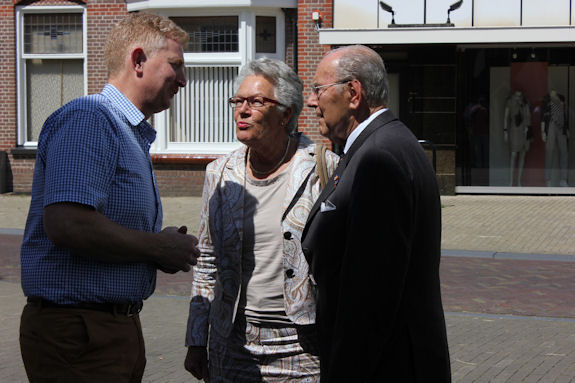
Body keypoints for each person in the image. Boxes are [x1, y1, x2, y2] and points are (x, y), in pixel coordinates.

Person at [19, 13, 200, 383]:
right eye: (176, 66)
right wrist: (156, 248)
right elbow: (68, 223)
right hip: (80, 334)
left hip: (105, 329)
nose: (183, 80)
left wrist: (159, 245)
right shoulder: (91, 120)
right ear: (138, 61)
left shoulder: (126, 131)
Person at [301, 45, 451, 382]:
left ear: (353, 93)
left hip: (385, 366)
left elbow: (370, 292)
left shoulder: (378, 158)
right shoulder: (382, 145)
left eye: (318, 91)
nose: (311, 102)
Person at [184, 57, 339, 383]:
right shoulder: (220, 173)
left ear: (285, 112)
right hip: (232, 341)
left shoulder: (323, 169)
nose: (241, 110)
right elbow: (207, 260)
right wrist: (197, 338)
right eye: (237, 101)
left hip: (302, 345)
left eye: (255, 102)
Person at [541, 90, 569, 187]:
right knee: (549, 152)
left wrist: (567, 128)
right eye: (551, 92)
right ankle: (548, 179)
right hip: (551, 126)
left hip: (561, 127)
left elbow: (564, 117)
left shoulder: (561, 100)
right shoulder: (546, 102)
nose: (553, 93)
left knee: (564, 152)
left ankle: (563, 179)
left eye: (554, 92)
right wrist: (543, 132)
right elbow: (543, 118)